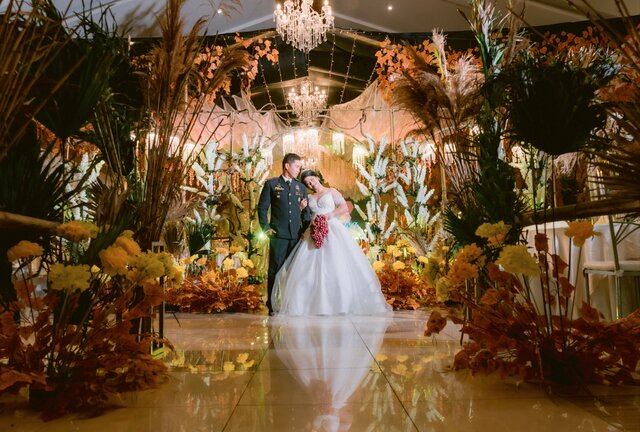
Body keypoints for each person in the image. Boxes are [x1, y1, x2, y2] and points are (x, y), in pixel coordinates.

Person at [271, 170, 392, 316]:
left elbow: (344, 207)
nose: (311, 184)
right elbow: (304, 215)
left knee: (336, 263)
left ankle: (340, 303)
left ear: (317, 177)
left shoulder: (331, 191)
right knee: (307, 268)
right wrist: (301, 209)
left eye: (312, 180)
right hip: (313, 230)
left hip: (332, 228)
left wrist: (329, 216)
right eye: (308, 183)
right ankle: (307, 305)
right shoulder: (309, 197)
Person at [258, 153, 311, 315]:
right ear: (287, 166)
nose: (298, 170)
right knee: (275, 271)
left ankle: (291, 304)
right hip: (278, 235)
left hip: (296, 236)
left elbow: (306, 212)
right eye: (297, 167)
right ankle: (272, 305)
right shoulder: (272, 184)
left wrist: (305, 230)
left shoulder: (300, 187)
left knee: (295, 272)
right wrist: (266, 228)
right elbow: (262, 208)